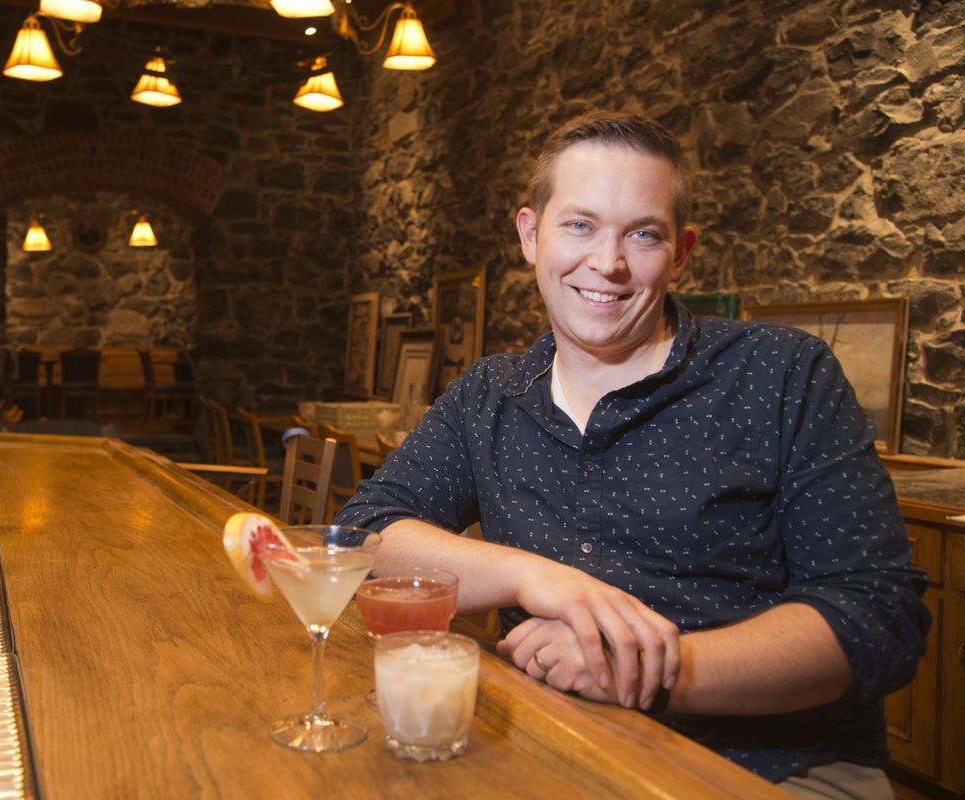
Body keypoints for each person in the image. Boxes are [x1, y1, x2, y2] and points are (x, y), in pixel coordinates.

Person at [335, 110, 929, 796]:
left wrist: (649, 668)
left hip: (770, 766)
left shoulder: (783, 374)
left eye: (642, 234)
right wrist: (534, 578)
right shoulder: (489, 394)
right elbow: (366, 535)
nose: (607, 264)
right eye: (579, 225)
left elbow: (877, 618)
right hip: (546, 740)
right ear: (531, 235)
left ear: (681, 252)